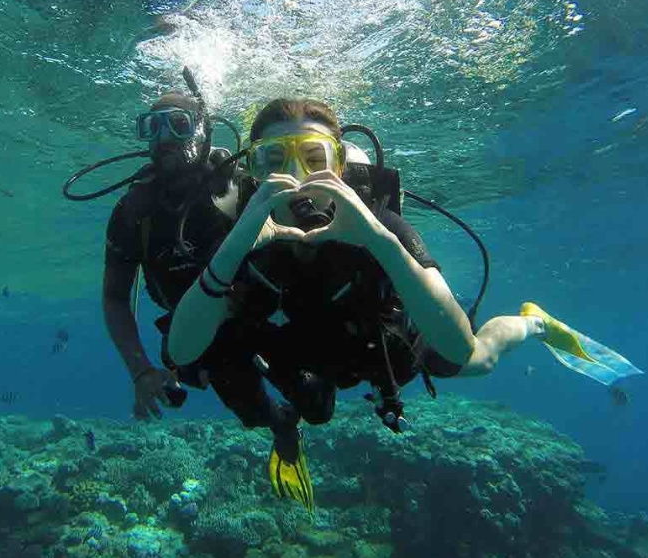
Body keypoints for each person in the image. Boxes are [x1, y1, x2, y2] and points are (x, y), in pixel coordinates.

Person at [165, 98, 589, 512]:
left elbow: (458, 347)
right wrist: (234, 248)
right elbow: (182, 351)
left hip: (379, 341)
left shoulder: (379, 223)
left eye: (315, 159)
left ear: (339, 169)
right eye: (273, 160)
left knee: (478, 357)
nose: (295, 177)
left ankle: (533, 322)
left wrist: (378, 240)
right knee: (314, 412)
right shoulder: (242, 236)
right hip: (305, 345)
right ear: (253, 174)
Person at [102, 91, 241, 420]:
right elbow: (115, 299)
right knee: (250, 410)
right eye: (152, 127)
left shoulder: (238, 188)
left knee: (315, 404)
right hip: (189, 328)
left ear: (202, 130)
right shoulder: (132, 212)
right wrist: (140, 370)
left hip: (252, 315)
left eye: (179, 124)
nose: (164, 138)